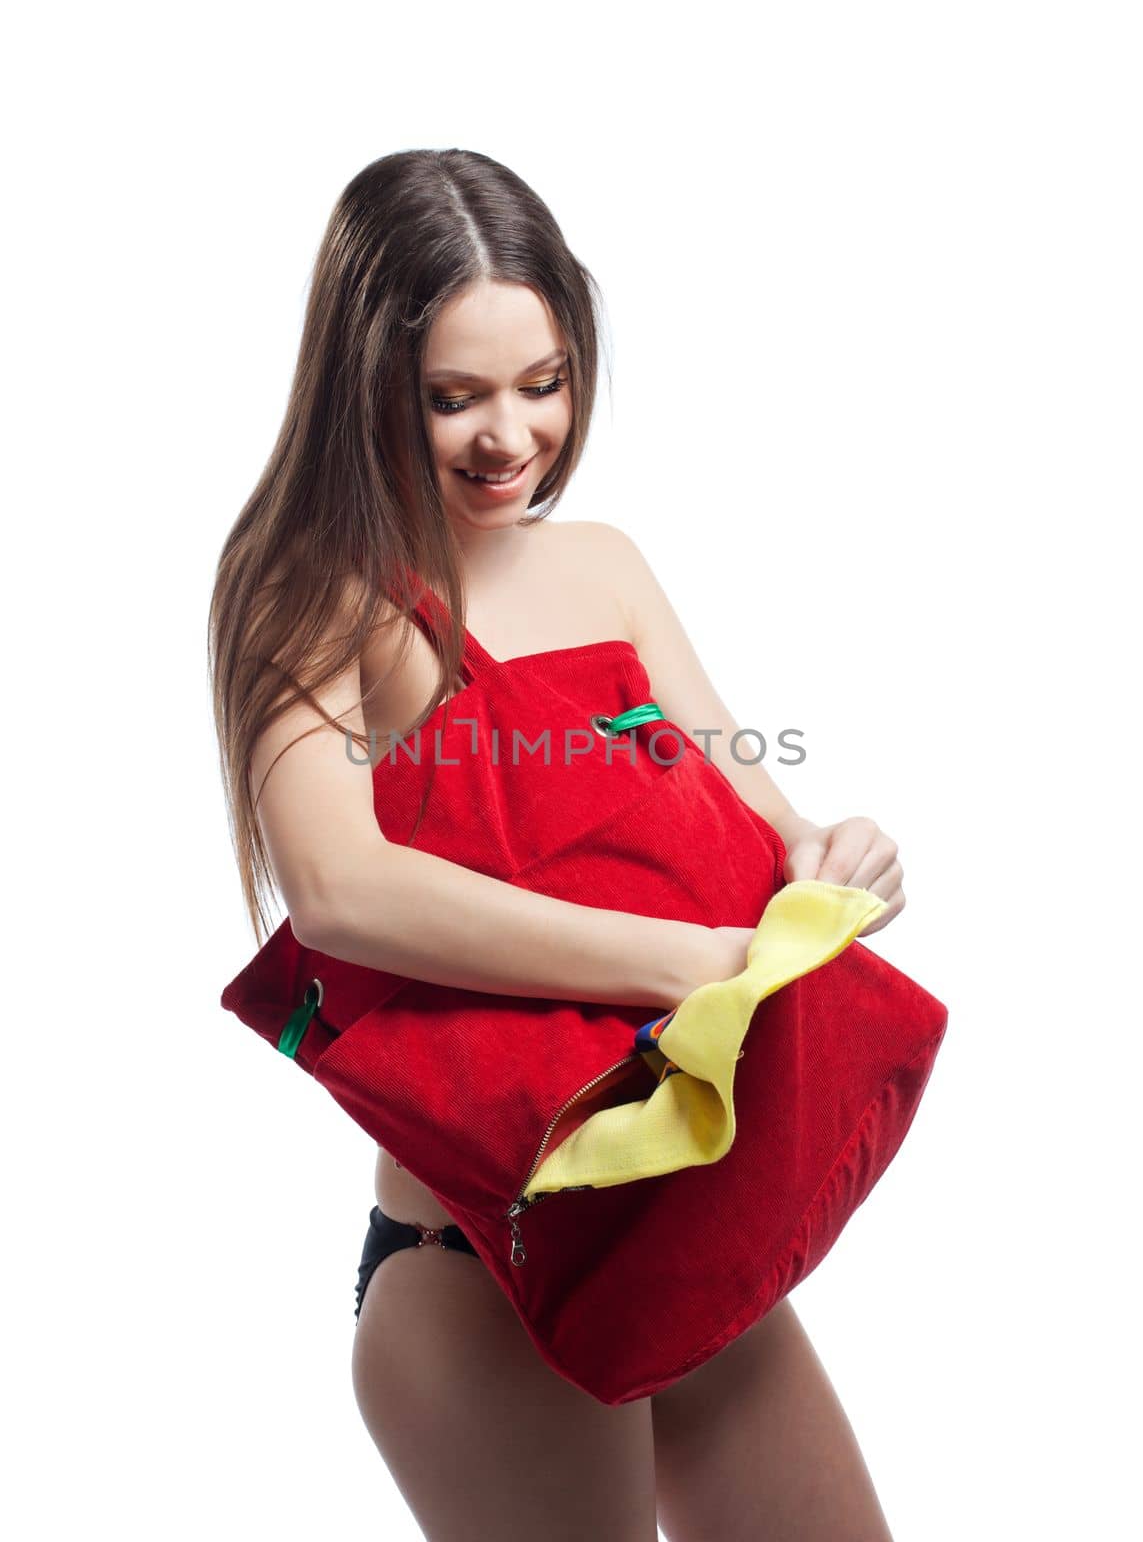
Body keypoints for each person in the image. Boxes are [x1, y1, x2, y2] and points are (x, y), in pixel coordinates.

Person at [209, 148, 906, 1541]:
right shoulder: (315, 596)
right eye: (452, 396)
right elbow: (346, 893)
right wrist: (685, 962)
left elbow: (759, 816)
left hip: (677, 1231)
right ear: (364, 388)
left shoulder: (602, 563)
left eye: (543, 383)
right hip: (481, 1268)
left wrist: (839, 855)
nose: (508, 437)